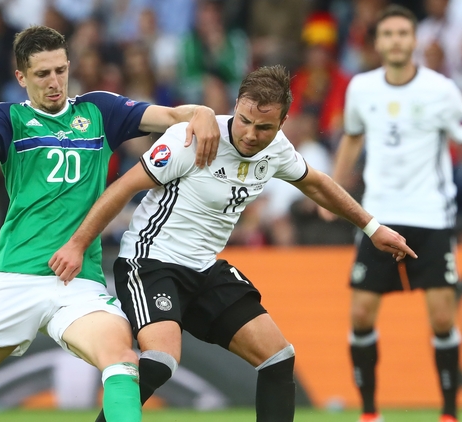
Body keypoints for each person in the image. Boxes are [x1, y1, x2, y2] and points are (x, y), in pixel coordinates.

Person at [0, 25, 221, 422]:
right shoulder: (10, 118)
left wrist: (203, 113)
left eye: (61, 70)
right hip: (15, 278)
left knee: (122, 358)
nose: (55, 82)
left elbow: (172, 116)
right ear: (21, 77)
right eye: (42, 74)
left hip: (77, 282)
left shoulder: (99, 111)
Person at [49, 65, 417, 422]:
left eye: (264, 127)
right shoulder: (191, 139)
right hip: (149, 261)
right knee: (161, 361)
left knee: (278, 358)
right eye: (244, 120)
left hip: (205, 268)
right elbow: (123, 188)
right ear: (236, 106)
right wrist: (78, 244)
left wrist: (373, 228)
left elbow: (317, 183)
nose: (251, 134)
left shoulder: (277, 150)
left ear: (282, 123)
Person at [322, 5, 462, 422]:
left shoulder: (440, 89)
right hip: (378, 218)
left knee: (442, 318)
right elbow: (351, 139)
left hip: (430, 216)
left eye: (403, 33)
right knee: (360, 314)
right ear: (378, 42)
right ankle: (370, 413)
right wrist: (332, 191)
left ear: (414, 40)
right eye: (388, 34)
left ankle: (449, 413)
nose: (396, 40)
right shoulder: (362, 88)